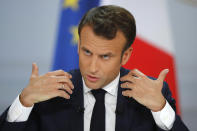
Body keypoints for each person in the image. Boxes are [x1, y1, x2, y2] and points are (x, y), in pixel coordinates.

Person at [0, 5, 188, 131]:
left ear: (126, 56)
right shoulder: (51, 92)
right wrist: (24, 102)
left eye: (105, 56)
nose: (92, 67)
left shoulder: (152, 94)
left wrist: (160, 107)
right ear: (79, 45)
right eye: (87, 52)